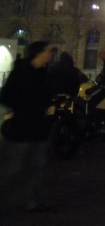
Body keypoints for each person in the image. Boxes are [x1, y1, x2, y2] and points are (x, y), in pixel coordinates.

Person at [0, 40, 55, 213]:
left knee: (37, 168)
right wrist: (24, 107)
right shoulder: (22, 71)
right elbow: (6, 96)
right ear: (39, 53)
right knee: (12, 169)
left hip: (38, 129)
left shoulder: (43, 72)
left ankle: (33, 202)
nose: (50, 54)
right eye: (48, 51)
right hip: (22, 129)